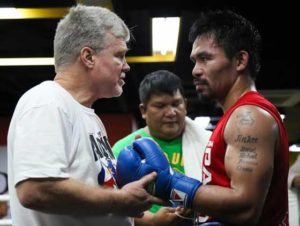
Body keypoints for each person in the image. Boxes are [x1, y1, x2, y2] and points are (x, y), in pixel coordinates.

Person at [117, 10, 289, 226]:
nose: (196, 71)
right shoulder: (234, 117)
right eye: (194, 61)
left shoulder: (249, 117)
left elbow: (246, 209)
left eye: (205, 58)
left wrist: (171, 183)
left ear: (240, 60)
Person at [7, 4, 163, 226]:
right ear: (88, 57)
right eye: (119, 55)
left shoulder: (90, 118)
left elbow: (97, 196)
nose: (126, 66)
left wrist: (136, 184)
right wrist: (120, 200)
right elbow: (35, 189)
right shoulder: (46, 102)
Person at [113, 70, 211, 225]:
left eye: (176, 103)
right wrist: (151, 221)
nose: (171, 112)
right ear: (143, 110)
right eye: (160, 106)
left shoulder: (208, 143)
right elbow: (114, 206)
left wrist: (196, 202)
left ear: (185, 104)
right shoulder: (123, 149)